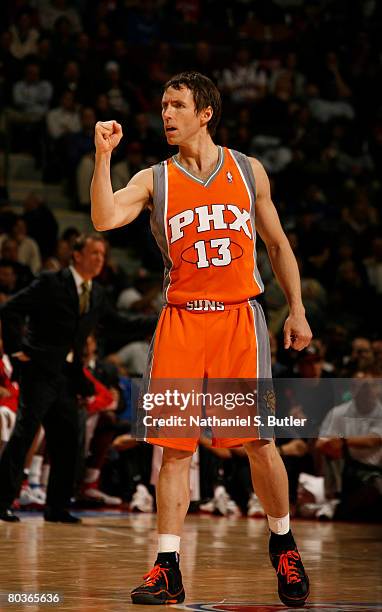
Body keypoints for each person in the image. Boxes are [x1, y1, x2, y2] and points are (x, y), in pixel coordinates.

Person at [91, 71, 312, 607]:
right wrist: (102, 157)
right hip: (183, 320)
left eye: (177, 105)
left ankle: (283, 543)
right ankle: (167, 566)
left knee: (259, 442)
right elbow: (103, 217)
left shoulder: (247, 169)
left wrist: (297, 310)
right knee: (174, 450)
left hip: (241, 319)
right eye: (163, 106)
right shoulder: (153, 179)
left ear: (204, 112)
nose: (166, 114)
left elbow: (278, 245)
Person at [0, 233, 153, 523]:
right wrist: (18, 349)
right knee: (24, 435)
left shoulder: (97, 293)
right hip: (39, 371)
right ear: (77, 255)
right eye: (94, 253)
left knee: (68, 440)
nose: (99, 259)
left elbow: (120, 324)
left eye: (103, 255)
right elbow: (10, 310)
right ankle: (1, 501)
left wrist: (159, 320)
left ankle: (56, 508)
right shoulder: (50, 282)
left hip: (67, 376)